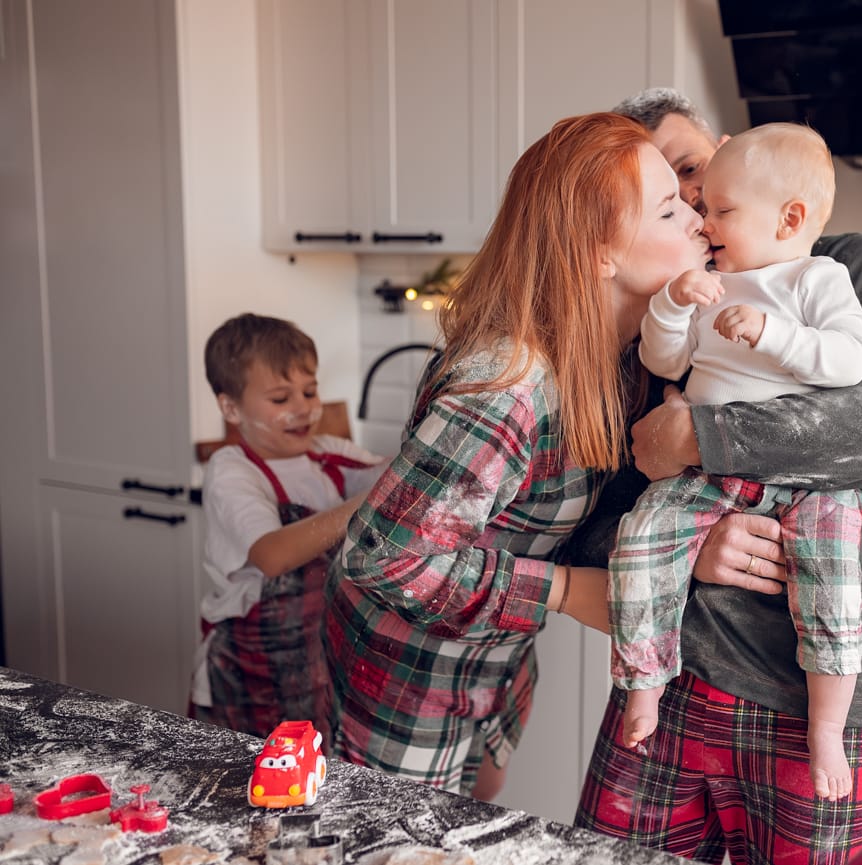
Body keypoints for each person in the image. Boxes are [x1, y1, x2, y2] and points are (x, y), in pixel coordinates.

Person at [570, 88, 862, 863]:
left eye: (694, 173)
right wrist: (695, 546)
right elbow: (591, 519)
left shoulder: (853, 268)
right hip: (675, 679)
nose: (697, 210)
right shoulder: (663, 307)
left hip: (815, 699)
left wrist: (699, 436)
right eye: (668, 198)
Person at [321, 112, 715, 802]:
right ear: (599, 252)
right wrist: (564, 591)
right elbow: (384, 558)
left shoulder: (622, 361)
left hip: (495, 661)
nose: (696, 215)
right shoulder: (508, 383)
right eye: (668, 208)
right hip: (404, 674)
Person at [609, 122, 862, 803]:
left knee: (832, 584)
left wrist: (771, 332)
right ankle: (643, 681)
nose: (704, 222)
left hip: (809, 482)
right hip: (706, 477)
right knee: (641, 536)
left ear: (789, 219)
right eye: (701, 207)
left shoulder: (819, 279)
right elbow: (665, 362)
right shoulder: (711, 283)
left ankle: (827, 727)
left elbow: (850, 362)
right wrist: (672, 306)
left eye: (721, 209)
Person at [191, 313, 386, 745]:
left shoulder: (327, 453)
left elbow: (390, 477)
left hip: (320, 656)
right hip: (252, 667)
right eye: (281, 398)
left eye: (310, 391)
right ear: (231, 408)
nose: (303, 408)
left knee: (311, 769)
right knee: (251, 771)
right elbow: (272, 555)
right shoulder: (232, 470)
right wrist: (362, 505)